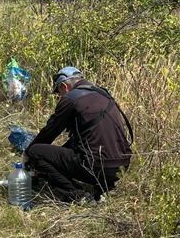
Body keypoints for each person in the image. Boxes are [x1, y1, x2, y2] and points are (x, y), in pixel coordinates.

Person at [25, 66, 133, 203]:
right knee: (74, 148)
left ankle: (77, 195)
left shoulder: (71, 99)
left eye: (58, 93)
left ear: (64, 86)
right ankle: (107, 186)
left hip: (97, 166)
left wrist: (28, 154)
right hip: (122, 166)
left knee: (36, 152)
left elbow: (49, 132)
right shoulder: (104, 93)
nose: (59, 97)